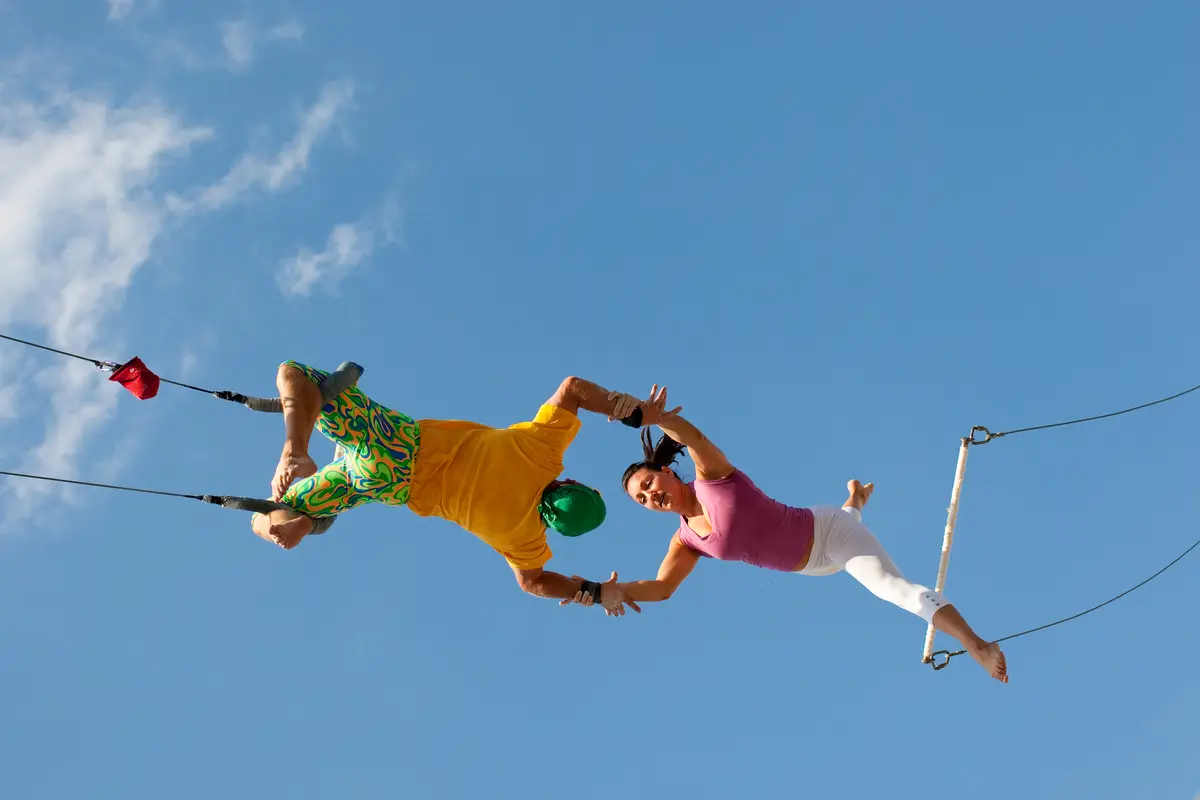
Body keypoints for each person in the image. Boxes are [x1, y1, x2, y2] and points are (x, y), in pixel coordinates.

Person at [570, 385, 1009, 683]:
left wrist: (657, 417)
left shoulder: (713, 476)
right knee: (850, 536)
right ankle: (855, 500)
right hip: (811, 568)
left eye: (648, 485)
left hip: (826, 533)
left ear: (665, 472)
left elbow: (693, 435)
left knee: (892, 589)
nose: (650, 496)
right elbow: (662, 588)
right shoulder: (685, 540)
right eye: (641, 500)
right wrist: (607, 590)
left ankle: (976, 644)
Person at [251, 359, 649, 606]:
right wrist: (592, 592)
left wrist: (631, 412)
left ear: (571, 482)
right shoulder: (523, 538)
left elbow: (573, 388)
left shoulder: (542, 452)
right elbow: (534, 583)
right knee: (270, 514)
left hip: (396, 443)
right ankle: (298, 524)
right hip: (385, 484)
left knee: (293, 373)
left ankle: (295, 449)